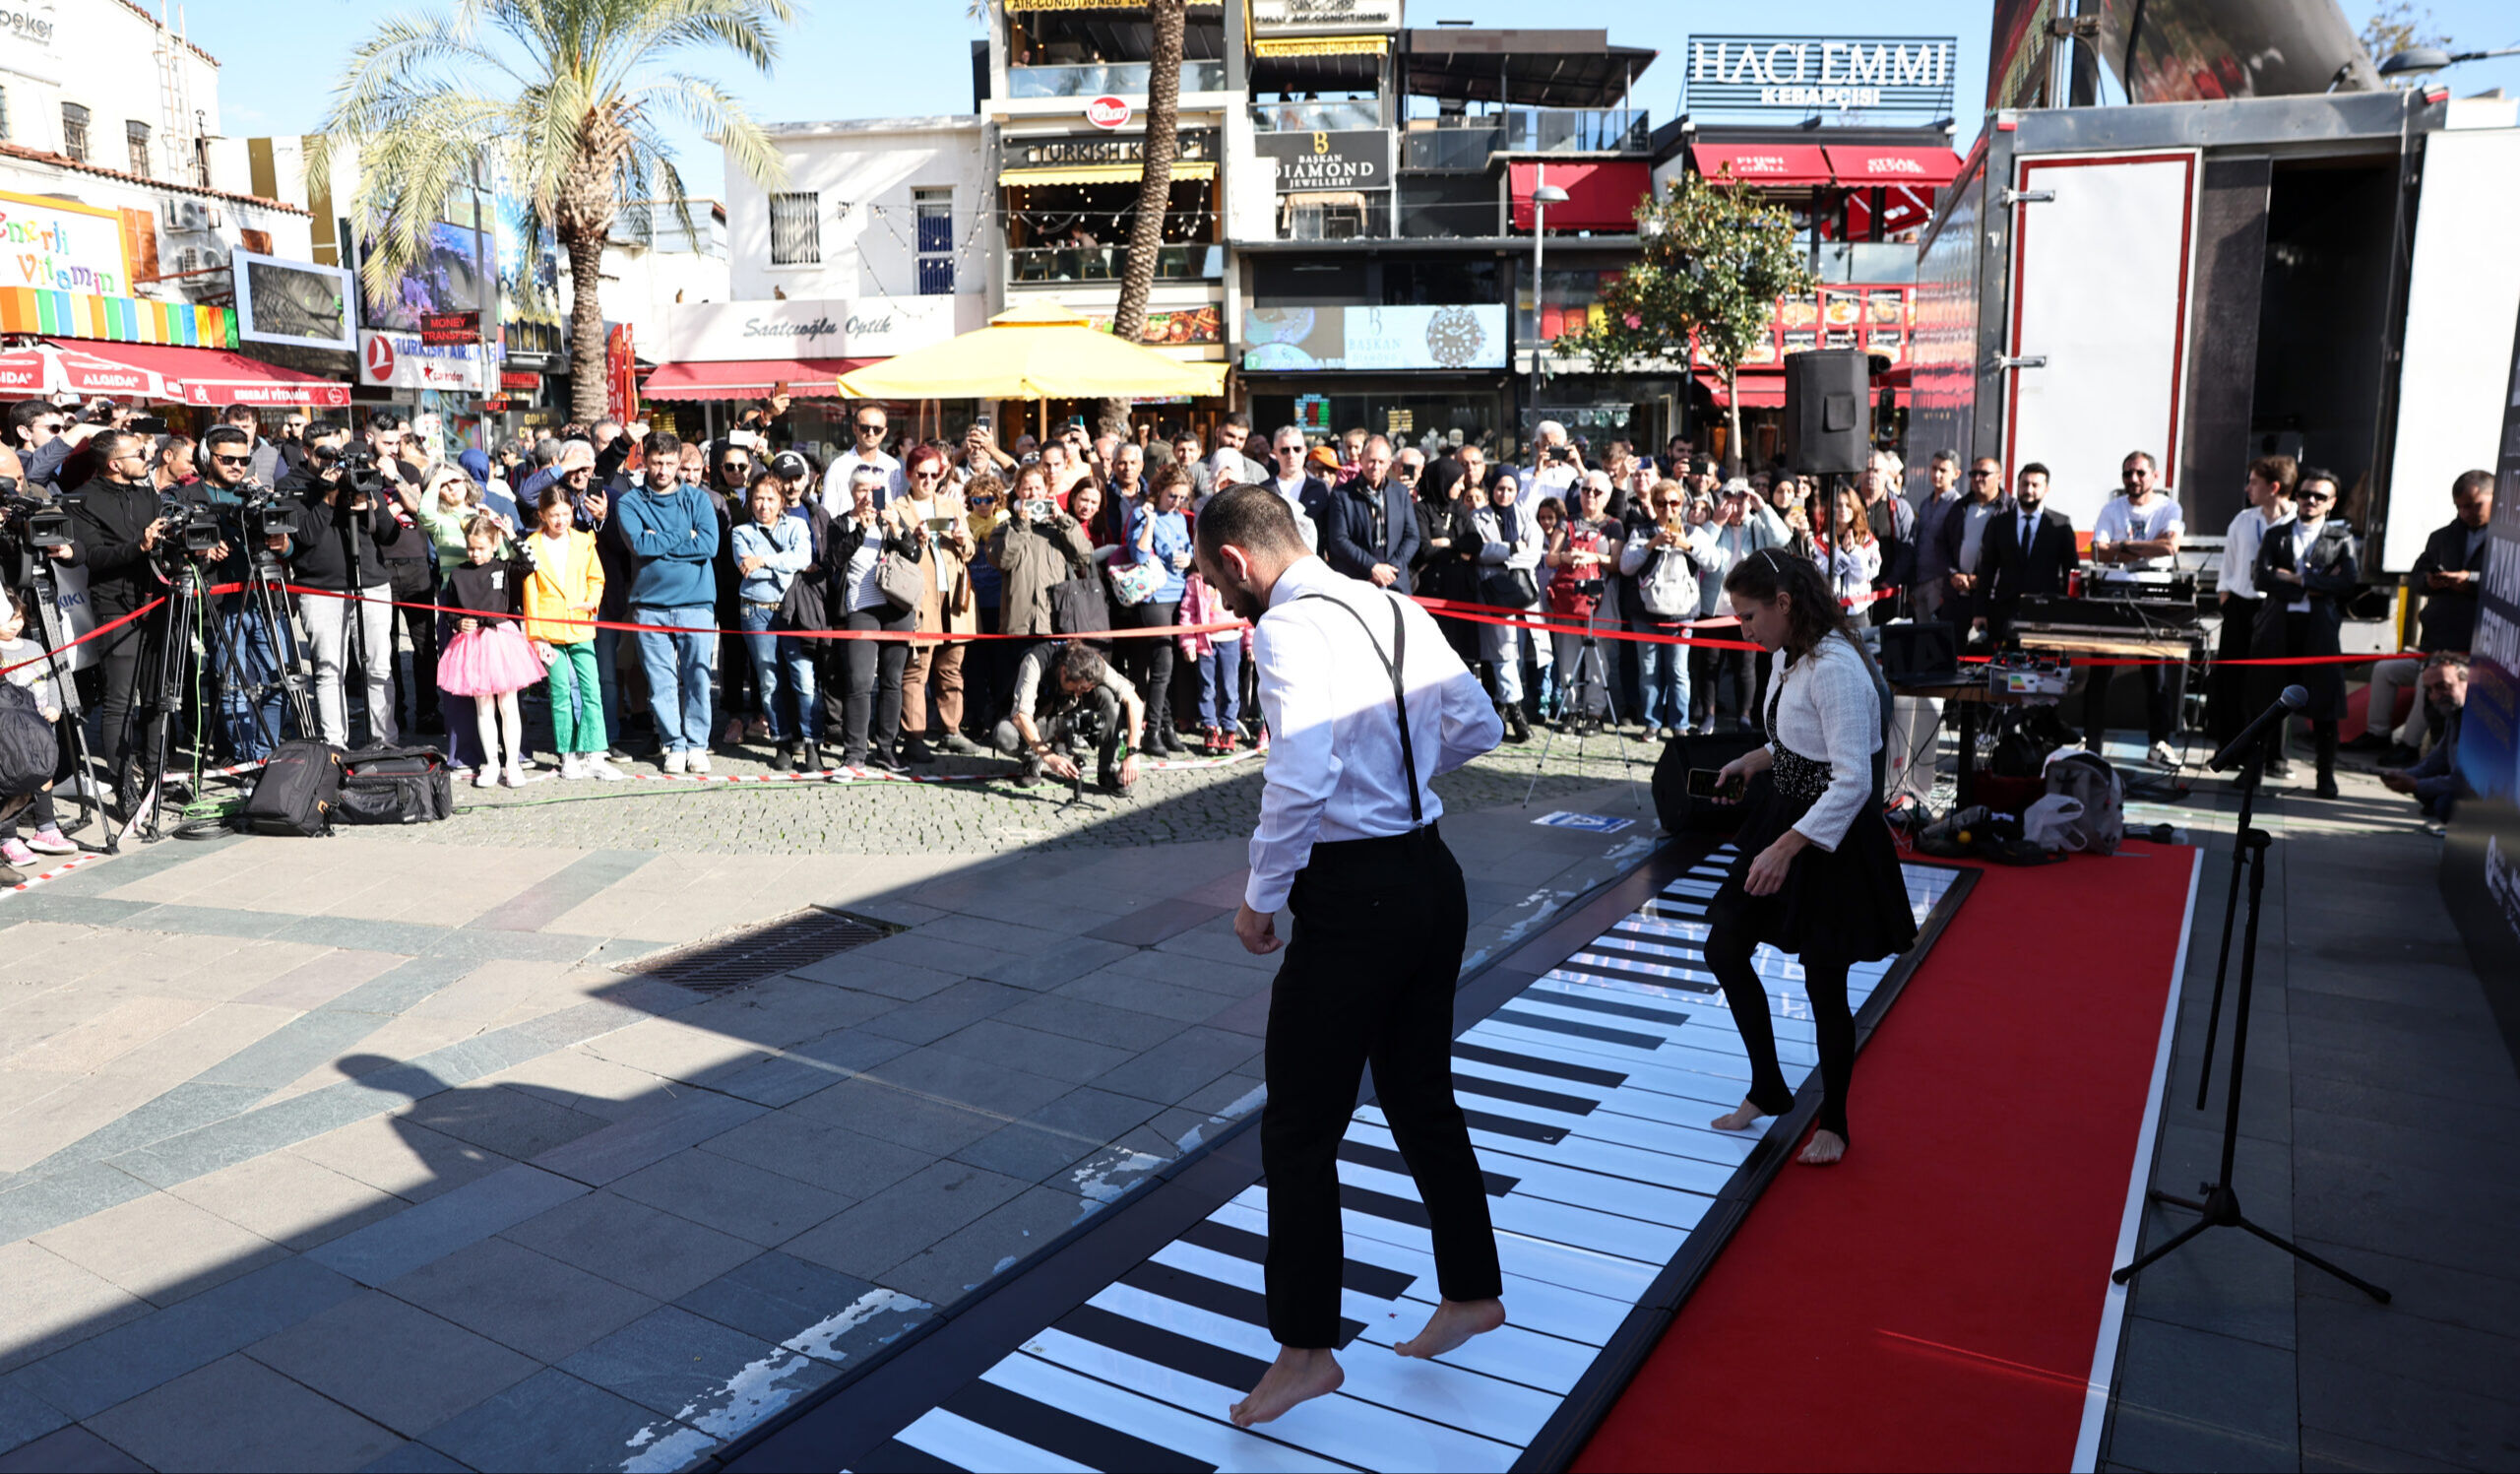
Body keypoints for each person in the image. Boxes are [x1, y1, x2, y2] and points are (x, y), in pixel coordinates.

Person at [1194, 483, 1507, 1429]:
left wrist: (1260, 895)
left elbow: (1299, 773)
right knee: (1419, 1093)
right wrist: (1395, 779)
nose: (1221, 595)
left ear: (1240, 562)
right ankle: (1471, 1290)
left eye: (1215, 579)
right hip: (1431, 875)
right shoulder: (1391, 601)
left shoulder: (1286, 631)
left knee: (1298, 1128)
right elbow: (1478, 725)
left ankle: (1304, 1348)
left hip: (1355, 894)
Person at [1703, 548, 1916, 1166]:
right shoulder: (1787, 654)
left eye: (1748, 616)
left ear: (1785, 605)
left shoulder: (1838, 668)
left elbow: (1852, 780)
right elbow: (1793, 738)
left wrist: (1787, 846)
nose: (1743, 629)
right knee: (1724, 947)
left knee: (1825, 984)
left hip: (1834, 838)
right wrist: (1754, 759)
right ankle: (1768, 1087)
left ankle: (1837, 1122)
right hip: (1786, 817)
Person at [2358, 469, 2491, 764]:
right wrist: (2429, 582)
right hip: (2437, 635)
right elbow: (2417, 574)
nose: (2466, 512)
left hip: (2472, 643)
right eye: (2460, 506)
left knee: (2429, 681)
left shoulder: (2507, 540)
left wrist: (2469, 579)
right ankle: (2377, 734)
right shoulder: (2443, 537)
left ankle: (2410, 746)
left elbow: (2505, 581)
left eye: (2474, 504)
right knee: (2385, 671)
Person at [285, 431, 407, 750]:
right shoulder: (291, 484)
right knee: (329, 670)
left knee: (379, 667)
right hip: (320, 589)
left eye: (337, 453)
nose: (332, 462)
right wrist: (327, 498)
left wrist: (367, 499)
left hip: (371, 583)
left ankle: (385, 743)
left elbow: (390, 535)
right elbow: (304, 538)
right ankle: (334, 748)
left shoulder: (358, 476)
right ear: (307, 451)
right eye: (324, 454)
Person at [614, 431, 723, 774]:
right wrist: (681, 536)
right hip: (650, 606)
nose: (663, 469)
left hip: (696, 603)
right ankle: (673, 743)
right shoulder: (630, 503)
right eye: (657, 462)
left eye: (670, 463)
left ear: (680, 463)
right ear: (644, 459)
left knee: (698, 678)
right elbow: (640, 547)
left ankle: (697, 744)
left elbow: (708, 545)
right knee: (660, 682)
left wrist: (659, 540)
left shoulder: (698, 500)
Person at [2250, 468, 2358, 799]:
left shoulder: (2341, 539)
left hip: (2320, 630)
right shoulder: (2276, 534)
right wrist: (2311, 587)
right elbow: (2262, 579)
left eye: (2319, 496)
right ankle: (2252, 773)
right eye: (2304, 494)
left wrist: (2298, 580)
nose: (2310, 500)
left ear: (2331, 503)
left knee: (2325, 706)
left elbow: (2347, 582)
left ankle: (2326, 777)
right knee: (2264, 702)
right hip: (2277, 628)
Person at [2085, 450, 2187, 767]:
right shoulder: (2112, 509)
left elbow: (2170, 547)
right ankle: (2092, 746)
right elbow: (2098, 554)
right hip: (2115, 594)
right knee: (2100, 672)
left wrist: (2120, 547)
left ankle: (2158, 745)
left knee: (2155, 676)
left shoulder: (2169, 507)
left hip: (2154, 595)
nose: (2134, 479)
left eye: (2140, 473)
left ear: (2154, 476)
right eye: (2128, 473)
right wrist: (2142, 548)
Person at [436, 513, 546, 790]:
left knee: (508, 706)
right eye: (471, 547)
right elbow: (449, 610)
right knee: (483, 708)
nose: (475, 554)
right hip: (472, 644)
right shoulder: (459, 574)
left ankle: (511, 763)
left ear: (494, 544)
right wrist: (458, 622)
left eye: (481, 548)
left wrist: (511, 534)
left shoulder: (506, 567)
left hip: (501, 641)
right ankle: (491, 763)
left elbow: (531, 564)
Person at [521, 489, 624, 781]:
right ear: (542, 515)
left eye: (566, 514)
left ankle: (594, 753)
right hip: (549, 629)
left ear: (573, 512)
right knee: (560, 693)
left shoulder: (583, 540)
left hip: (580, 625)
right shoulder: (532, 545)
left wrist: (592, 601)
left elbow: (596, 577)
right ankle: (567, 753)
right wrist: (536, 635)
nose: (561, 520)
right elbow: (530, 593)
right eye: (554, 515)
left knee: (592, 689)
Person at [826, 466, 917, 774]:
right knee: (860, 682)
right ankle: (855, 753)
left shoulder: (890, 518)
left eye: (874, 490)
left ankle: (887, 748)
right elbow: (833, 560)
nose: (868, 496)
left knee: (892, 682)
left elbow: (914, 555)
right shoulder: (840, 523)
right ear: (852, 492)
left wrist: (897, 529)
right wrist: (860, 530)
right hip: (860, 608)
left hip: (896, 608)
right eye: (862, 489)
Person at [895, 445, 980, 762]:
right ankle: (914, 737)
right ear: (909, 474)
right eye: (922, 474)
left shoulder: (952, 505)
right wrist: (913, 539)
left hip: (955, 602)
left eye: (935, 474)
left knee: (951, 671)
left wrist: (961, 539)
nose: (929, 480)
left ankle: (951, 732)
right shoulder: (898, 507)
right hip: (920, 600)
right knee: (916, 671)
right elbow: (894, 555)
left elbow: (970, 550)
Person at [730, 472, 818, 770]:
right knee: (769, 682)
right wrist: (785, 563)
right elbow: (748, 570)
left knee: (804, 680)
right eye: (758, 498)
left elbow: (803, 558)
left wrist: (764, 560)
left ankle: (811, 743)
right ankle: (781, 741)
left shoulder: (797, 525)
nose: (764, 505)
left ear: (782, 501)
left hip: (794, 612)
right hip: (756, 612)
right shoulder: (741, 532)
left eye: (770, 499)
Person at [2211, 456, 2295, 750]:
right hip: (2241, 605)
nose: (2248, 488)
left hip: (2275, 609)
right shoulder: (2244, 520)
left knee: (2272, 682)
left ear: (2273, 487)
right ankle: (2229, 746)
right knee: (2232, 678)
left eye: (2254, 482)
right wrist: (2226, 599)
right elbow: (2228, 564)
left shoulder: (2297, 523)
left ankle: (2271, 753)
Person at [1621, 479, 1715, 740]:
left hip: (1681, 613)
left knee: (1678, 671)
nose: (1668, 509)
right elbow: (1626, 566)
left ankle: (1680, 724)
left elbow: (1714, 563)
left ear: (1681, 504)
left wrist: (1687, 546)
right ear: (1653, 505)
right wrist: (1652, 544)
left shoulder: (1694, 532)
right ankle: (1652, 723)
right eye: (1661, 503)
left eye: (1673, 503)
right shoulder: (1641, 532)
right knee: (1648, 670)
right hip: (1645, 612)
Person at [993, 639, 1145, 791]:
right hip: (1037, 720)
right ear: (1064, 671)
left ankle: (1107, 770)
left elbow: (1135, 702)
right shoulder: (1035, 661)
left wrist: (1132, 753)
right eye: (1077, 688)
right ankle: (1032, 759)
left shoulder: (1094, 664)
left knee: (1109, 697)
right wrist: (1050, 757)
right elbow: (1021, 716)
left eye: (1085, 690)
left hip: (1069, 719)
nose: (1079, 694)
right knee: (1004, 734)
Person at [0, 587, 76, 867]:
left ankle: (46, 828)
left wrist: (56, 706)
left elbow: (52, 679)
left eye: (19, 617)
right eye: (9, 619)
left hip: (42, 728)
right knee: (11, 783)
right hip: (11, 738)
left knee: (45, 776)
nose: (16, 624)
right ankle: (7, 837)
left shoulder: (34, 647)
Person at [1471, 473, 1544, 742]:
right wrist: (1513, 547)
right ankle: (1516, 713)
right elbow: (1480, 552)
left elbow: (1534, 554)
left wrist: (1502, 557)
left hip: (1523, 594)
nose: (1504, 494)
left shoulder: (1525, 516)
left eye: (1510, 489)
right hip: (1494, 594)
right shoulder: (1478, 517)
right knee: (1503, 655)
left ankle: (1500, 712)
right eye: (1500, 488)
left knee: (1521, 654)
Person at [1544, 476, 1623, 724]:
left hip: (1600, 595)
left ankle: (1595, 711)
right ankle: (1570, 709)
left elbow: (1617, 562)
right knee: (1567, 654)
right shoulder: (1566, 521)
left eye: (1597, 491)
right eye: (1586, 489)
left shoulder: (1613, 524)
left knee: (1597, 656)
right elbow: (1551, 558)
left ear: (1607, 497)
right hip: (1569, 595)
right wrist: (1568, 557)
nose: (1590, 495)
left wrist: (1593, 558)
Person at [1979, 462, 2075, 648]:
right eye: (2024, 484)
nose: (2028, 490)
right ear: (2017, 486)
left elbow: (2072, 570)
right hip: (2005, 612)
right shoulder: (2000, 522)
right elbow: (1987, 568)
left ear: (2046, 489)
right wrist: (1980, 611)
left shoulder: (2060, 524)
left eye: (2035, 485)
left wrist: (2067, 611)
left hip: (2045, 611)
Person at [2379, 654, 2468, 829]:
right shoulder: (2454, 713)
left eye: (2443, 687)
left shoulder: (2475, 720)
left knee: (2445, 804)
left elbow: (2465, 781)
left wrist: (2416, 784)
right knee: (2425, 786)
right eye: (2429, 690)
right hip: (2460, 780)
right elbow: (2440, 756)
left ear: (2466, 682)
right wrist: (2408, 775)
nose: (2435, 696)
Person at [1320, 437, 1419, 593]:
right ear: (1361, 460)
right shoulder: (1342, 495)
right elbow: (1338, 540)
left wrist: (1391, 569)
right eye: (1371, 461)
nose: (1376, 467)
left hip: (1394, 580)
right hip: (1356, 581)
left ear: (1389, 464)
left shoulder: (1401, 493)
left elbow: (1412, 536)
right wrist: (1372, 567)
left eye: (1381, 462)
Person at [1934, 456, 2010, 647]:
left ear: (1999, 477)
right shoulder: (1960, 506)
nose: (1977, 478)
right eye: (1973, 473)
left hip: (1989, 600)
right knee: (1949, 650)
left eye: (1984, 473)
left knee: (1983, 656)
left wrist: (1984, 579)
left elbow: (2011, 559)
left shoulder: (2010, 510)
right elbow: (1940, 545)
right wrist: (1953, 575)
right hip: (1956, 595)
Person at [1911, 450, 1965, 626]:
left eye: (1943, 470)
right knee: (1921, 638)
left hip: (1941, 583)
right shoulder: (1925, 504)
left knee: (1937, 639)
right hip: (1920, 581)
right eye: (1934, 468)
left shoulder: (1958, 505)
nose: (1937, 474)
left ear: (1956, 474)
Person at [822, 405, 905, 512]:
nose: (871, 433)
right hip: (848, 528)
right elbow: (827, 513)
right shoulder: (838, 468)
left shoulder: (893, 466)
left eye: (877, 429)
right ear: (855, 429)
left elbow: (897, 507)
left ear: (884, 432)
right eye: (865, 428)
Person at [1819, 482, 1881, 616]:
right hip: (1829, 612)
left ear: (1855, 508)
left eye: (1848, 505)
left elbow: (1867, 574)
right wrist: (1842, 553)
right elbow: (1822, 576)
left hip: (1858, 611)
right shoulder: (1821, 541)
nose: (1843, 509)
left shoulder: (1868, 540)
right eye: (1838, 505)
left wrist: (1853, 551)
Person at [1266, 426, 1332, 529]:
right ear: (1274, 454)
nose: (1291, 455)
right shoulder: (1263, 490)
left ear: (1305, 451)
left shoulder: (1322, 488)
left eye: (1297, 449)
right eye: (1285, 450)